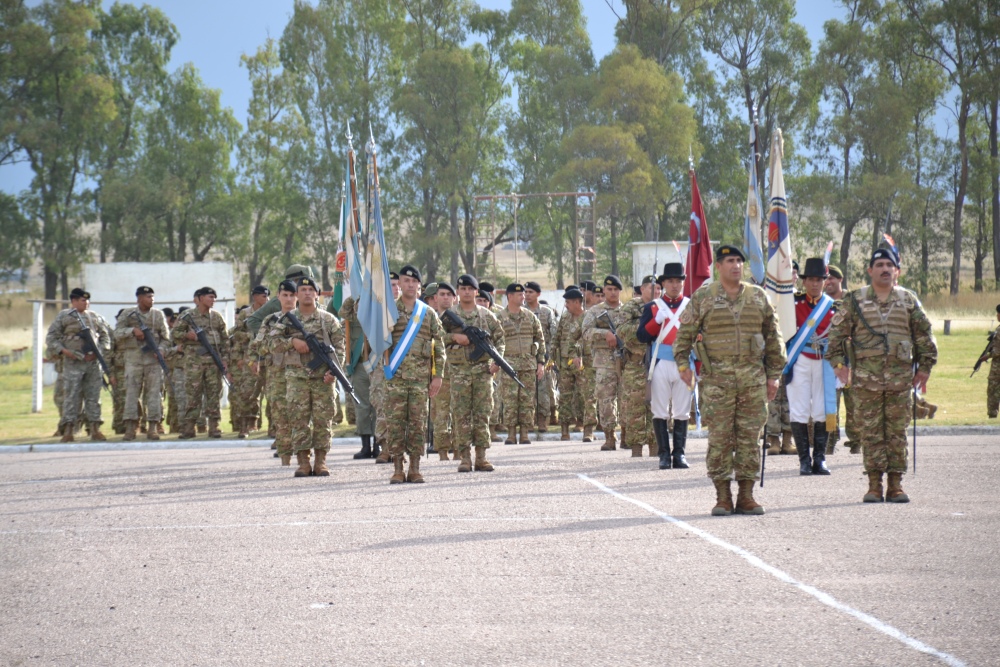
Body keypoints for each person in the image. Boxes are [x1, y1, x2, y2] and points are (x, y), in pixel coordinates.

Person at [674, 246, 786, 516]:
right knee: (721, 439)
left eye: (739, 261)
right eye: (730, 261)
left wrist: (774, 376)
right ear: (719, 266)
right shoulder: (703, 297)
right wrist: (682, 364)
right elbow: (684, 335)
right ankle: (723, 496)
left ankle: (746, 495)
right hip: (717, 383)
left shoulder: (758, 297)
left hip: (753, 381)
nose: (736, 266)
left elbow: (774, 338)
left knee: (750, 437)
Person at [826, 248, 937, 503]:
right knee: (871, 433)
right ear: (870, 270)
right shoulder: (855, 300)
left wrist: (924, 368)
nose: (885, 269)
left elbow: (924, 336)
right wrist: (838, 365)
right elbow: (836, 336)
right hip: (866, 381)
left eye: (890, 265)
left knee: (896, 432)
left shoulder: (908, 300)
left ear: (896, 270)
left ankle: (896, 485)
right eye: (880, 265)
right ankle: (874, 485)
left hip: (900, 382)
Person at [272, 277, 346, 477]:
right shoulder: (287, 319)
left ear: (317, 294)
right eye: (302, 289)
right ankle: (303, 462)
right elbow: (271, 344)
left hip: (323, 378)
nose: (306, 293)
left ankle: (321, 461)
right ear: (297, 294)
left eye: (310, 289)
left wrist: (334, 372)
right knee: (299, 420)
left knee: (323, 420)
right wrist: (293, 342)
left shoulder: (328, 320)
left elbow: (340, 348)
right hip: (297, 379)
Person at [383, 265, 446, 484]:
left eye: (414, 282)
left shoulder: (427, 313)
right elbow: (378, 342)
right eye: (405, 281)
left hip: (420, 380)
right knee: (396, 423)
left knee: (418, 423)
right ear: (398, 284)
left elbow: (439, 345)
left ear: (419, 286)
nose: (410, 285)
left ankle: (416, 468)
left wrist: (438, 376)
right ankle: (398, 468)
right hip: (395, 378)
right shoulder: (389, 310)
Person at [444, 274, 505, 472]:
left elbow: (500, 340)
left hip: (482, 372)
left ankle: (481, 457)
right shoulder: (449, 314)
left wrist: (497, 361)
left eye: (471, 289)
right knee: (461, 415)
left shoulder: (487, 316)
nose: (467, 292)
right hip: (459, 372)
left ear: (477, 292)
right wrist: (455, 337)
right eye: (463, 289)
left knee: (482, 414)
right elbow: (436, 338)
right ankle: (464, 458)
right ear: (458, 292)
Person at [637, 263, 693, 470]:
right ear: (663, 284)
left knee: (682, 410)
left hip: (685, 363)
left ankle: (679, 454)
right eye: (670, 281)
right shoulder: (653, 307)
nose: (675, 285)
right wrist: (655, 322)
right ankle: (663, 455)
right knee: (659, 409)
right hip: (659, 362)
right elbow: (642, 336)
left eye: (678, 281)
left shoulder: (691, 305)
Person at [785, 258, 838, 476]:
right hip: (801, 359)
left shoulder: (833, 307)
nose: (815, 284)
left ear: (824, 282)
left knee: (821, 410)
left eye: (819, 280)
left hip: (824, 362)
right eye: (811, 280)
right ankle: (804, 461)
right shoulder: (793, 304)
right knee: (799, 409)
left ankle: (820, 459)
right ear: (804, 281)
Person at [46, 288, 114, 442]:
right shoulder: (64, 316)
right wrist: (64, 351)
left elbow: (105, 337)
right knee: (71, 397)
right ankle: (69, 430)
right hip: (73, 363)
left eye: (88, 300)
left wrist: (99, 352)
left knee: (94, 397)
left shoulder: (95, 317)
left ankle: (95, 429)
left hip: (93, 364)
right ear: (74, 301)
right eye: (83, 300)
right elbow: (51, 338)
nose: (86, 303)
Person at [171, 287, 231, 439]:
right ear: (200, 298)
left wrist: (224, 359)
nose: (213, 300)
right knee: (193, 394)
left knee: (213, 394)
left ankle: (214, 427)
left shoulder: (217, 317)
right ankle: (189, 427)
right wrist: (187, 335)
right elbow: (174, 334)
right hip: (193, 361)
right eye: (210, 297)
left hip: (213, 362)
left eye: (214, 298)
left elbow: (225, 340)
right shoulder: (187, 316)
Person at [114, 286, 170, 441]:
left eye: (152, 297)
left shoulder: (157, 315)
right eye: (147, 297)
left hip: (153, 361)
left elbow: (166, 338)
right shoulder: (128, 314)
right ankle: (131, 427)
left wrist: (162, 350)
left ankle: (153, 427)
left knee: (154, 394)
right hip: (134, 360)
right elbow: (117, 333)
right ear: (138, 298)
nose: (151, 300)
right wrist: (132, 331)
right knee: (132, 394)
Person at [252, 280, 297, 464]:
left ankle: (302, 452)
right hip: (277, 374)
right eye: (284, 295)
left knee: (301, 413)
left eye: (292, 295)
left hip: (301, 373)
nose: (288, 299)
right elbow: (259, 346)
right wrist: (283, 342)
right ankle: (285, 454)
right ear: (278, 297)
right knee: (280, 414)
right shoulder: (270, 320)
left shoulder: (307, 318)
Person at [497, 283, 546, 445]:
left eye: (523, 294)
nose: (523, 297)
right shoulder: (499, 318)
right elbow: (493, 342)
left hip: (528, 365)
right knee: (510, 400)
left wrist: (541, 363)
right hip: (508, 365)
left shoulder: (530, 317)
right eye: (519, 294)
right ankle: (511, 434)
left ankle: (525, 433)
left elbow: (540, 340)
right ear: (509, 296)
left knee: (527, 400)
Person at [582, 276, 626, 450]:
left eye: (616, 289)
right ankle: (609, 437)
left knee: (626, 401)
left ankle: (627, 435)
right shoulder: (595, 311)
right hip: (604, 362)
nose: (613, 292)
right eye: (609, 289)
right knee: (606, 400)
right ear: (604, 290)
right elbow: (585, 332)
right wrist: (604, 334)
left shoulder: (627, 311)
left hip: (625, 362)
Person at [619, 275, 657, 457]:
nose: (655, 291)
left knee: (658, 406)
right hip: (636, 363)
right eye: (651, 287)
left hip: (658, 363)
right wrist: (648, 324)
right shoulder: (631, 307)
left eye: (658, 288)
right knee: (635, 407)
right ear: (642, 289)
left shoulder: (665, 307)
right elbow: (622, 330)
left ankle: (656, 445)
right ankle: (636, 448)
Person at [230, 285, 270, 438]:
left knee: (271, 392)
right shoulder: (245, 314)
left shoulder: (271, 313)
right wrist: (249, 337)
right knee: (247, 391)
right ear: (255, 297)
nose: (265, 299)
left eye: (267, 296)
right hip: (250, 358)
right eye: (262, 296)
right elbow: (236, 334)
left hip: (268, 356)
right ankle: (245, 424)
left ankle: (272, 426)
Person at [553, 287, 590, 441]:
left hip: (582, 363)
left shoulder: (588, 318)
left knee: (585, 395)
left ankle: (585, 426)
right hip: (564, 363)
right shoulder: (565, 317)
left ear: (577, 302)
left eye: (568, 302)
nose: (566, 305)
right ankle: (564, 429)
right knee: (565, 397)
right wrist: (552, 356)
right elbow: (557, 337)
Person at [428, 282, 458, 460]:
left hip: (459, 371)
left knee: (460, 412)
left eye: (449, 294)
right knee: (440, 413)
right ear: (435, 298)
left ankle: (459, 448)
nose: (445, 297)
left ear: (454, 298)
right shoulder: (429, 318)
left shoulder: (461, 318)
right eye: (442, 294)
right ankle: (442, 451)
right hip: (438, 373)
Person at [524, 281, 558, 430]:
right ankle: (528, 420)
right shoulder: (521, 312)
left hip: (544, 355)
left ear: (538, 294)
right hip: (525, 356)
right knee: (527, 389)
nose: (527, 295)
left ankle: (543, 419)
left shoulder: (546, 312)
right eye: (525, 292)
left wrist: (550, 355)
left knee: (544, 388)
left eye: (530, 292)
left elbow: (554, 334)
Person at [983, 305, 1000, 418]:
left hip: (997, 368)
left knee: (993, 390)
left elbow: (997, 351)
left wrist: (987, 356)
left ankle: (992, 415)